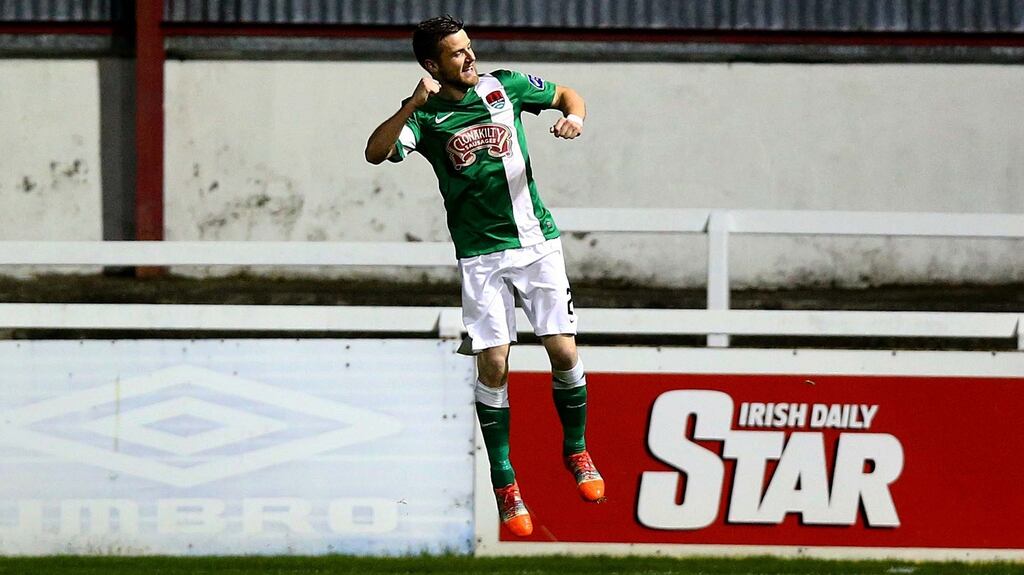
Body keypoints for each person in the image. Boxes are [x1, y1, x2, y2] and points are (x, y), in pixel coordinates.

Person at [365, 15, 603, 537]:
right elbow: (376, 151)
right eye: (457, 54)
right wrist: (411, 104)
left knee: (563, 352)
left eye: (470, 48)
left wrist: (575, 120)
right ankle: (505, 480)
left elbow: (568, 94)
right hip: (481, 256)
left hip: (537, 242)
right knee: (494, 364)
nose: (470, 59)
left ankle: (578, 450)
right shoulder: (425, 120)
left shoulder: (505, 87)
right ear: (432, 66)